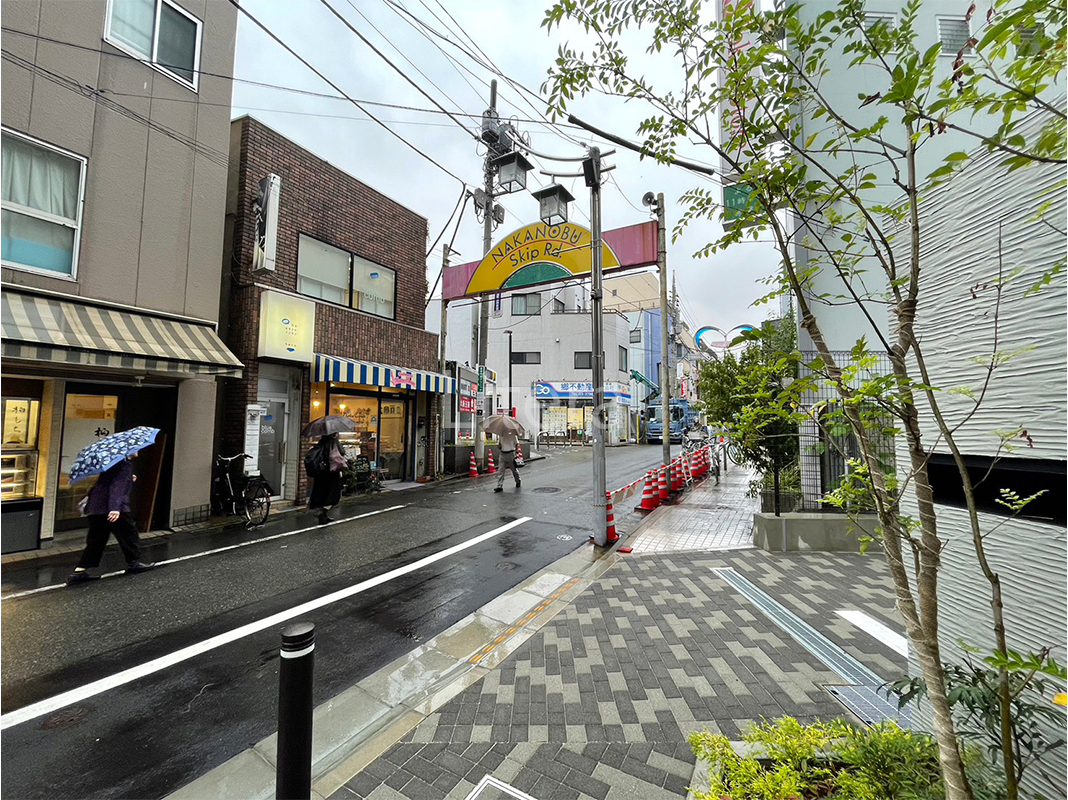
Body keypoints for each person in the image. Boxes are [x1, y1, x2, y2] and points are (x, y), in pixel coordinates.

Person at [67, 453, 154, 586]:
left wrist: (129, 478)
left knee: (96, 540)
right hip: (112, 507)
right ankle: (134, 563)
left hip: (96, 508)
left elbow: (108, 482)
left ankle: (78, 572)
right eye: (136, 449)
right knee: (129, 534)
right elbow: (116, 487)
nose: (138, 451)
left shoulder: (113, 463)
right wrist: (115, 508)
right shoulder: (124, 464)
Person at [308, 433, 346, 524]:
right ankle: (322, 511)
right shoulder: (334, 442)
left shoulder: (321, 443)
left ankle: (323, 517)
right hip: (331, 472)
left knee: (321, 494)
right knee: (334, 495)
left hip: (320, 472)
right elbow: (342, 452)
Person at [493, 427, 522, 493]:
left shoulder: (513, 434)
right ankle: (499, 486)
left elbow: (517, 444)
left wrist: (517, 452)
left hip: (511, 453)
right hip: (502, 453)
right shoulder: (501, 435)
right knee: (501, 470)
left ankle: (518, 480)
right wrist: (499, 446)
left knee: (513, 469)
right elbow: (500, 445)